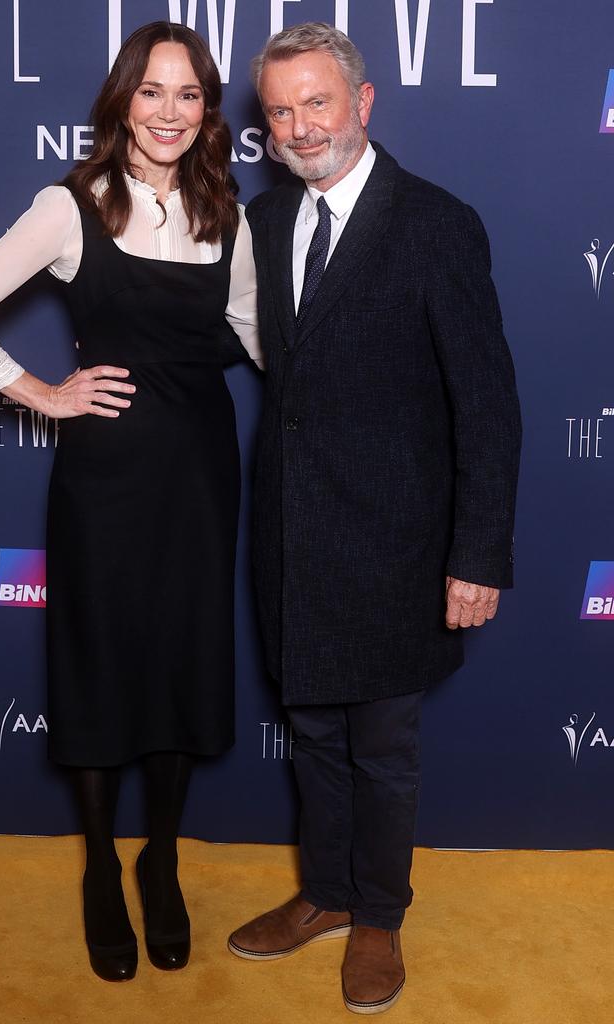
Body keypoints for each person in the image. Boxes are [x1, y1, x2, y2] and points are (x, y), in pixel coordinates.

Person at [0, 21, 259, 983]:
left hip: (199, 477)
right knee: (102, 662)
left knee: (186, 660)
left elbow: (255, 335)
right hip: (103, 482)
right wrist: (40, 390)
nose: (168, 111)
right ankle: (103, 867)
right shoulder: (71, 207)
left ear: (208, 110)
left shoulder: (227, 215)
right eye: (150, 92)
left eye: (188, 94)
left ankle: (162, 861)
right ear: (121, 101)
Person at [227, 23, 521, 1015]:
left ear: (363, 102)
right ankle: (327, 890)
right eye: (279, 110)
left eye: (317, 102)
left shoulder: (436, 223)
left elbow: (486, 402)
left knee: (381, 746)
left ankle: (380, 915)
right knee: (311, 732)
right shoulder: (266, 222)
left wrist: (476, 553)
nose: (299, 125)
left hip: (398, 541)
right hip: (293, 532)